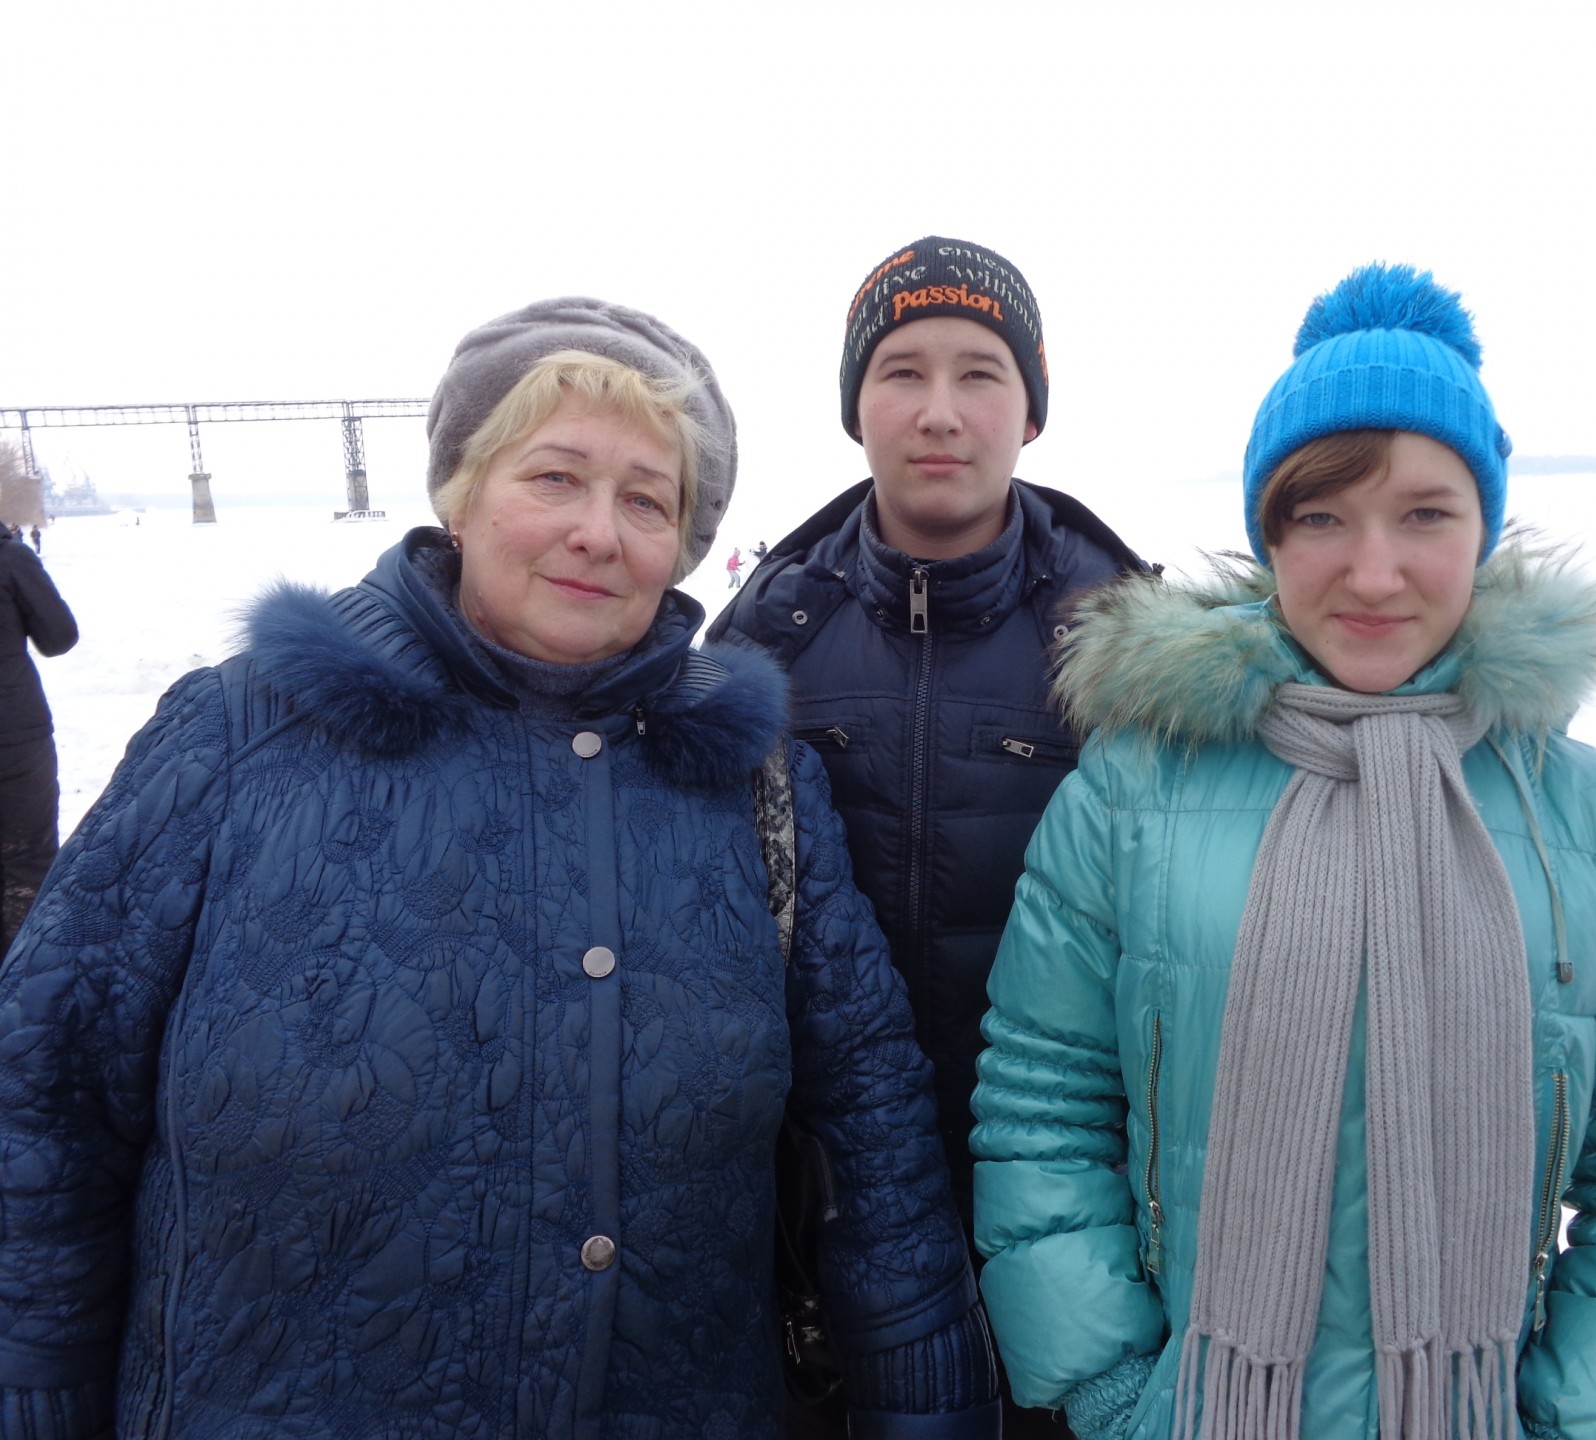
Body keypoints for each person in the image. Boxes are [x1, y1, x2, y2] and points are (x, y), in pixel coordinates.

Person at [0, 298, 999, 1438]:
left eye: (646, 500)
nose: (598, 532)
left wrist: (927, 1396)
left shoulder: (753, 786)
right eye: (555, 478)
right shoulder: (238, 741)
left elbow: (872, 1119)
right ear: (462, 492)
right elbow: (42, 1099)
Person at [969, 265, 1596, 1440]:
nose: (1373, 573)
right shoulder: (1133, 794)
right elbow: (1044, 1107)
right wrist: (1120, 1390)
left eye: (1425, 514)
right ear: (1269, 535)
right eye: (1323, 517)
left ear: (1485, 527)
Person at [708, 236, 1150, 1438]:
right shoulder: (768, 637)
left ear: (1032, 410)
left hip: (1075, 1205)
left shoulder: (1122, 638)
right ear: (855, 406)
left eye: (981, 374)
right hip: (825, 1215)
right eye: (902, 372)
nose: (940, 412)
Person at [0, 520, 77, 955]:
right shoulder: (10, 558)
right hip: (13, 738)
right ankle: (21, 979)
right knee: (27, 862)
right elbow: (59, 637)